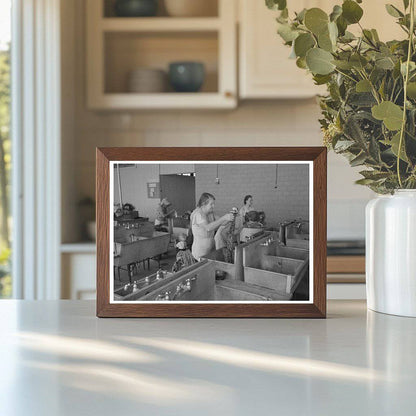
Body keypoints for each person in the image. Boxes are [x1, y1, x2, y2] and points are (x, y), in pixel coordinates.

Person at [190, 193, 234, 261]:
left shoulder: (211, 213)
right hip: (199, 253)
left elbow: (221, 223)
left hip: (211, 250)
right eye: (211, 204)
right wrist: (224, 218)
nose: (213, 206)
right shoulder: (198, 214)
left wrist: (230, 218)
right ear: (204, 204)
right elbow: (208, 228)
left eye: (214, 204)